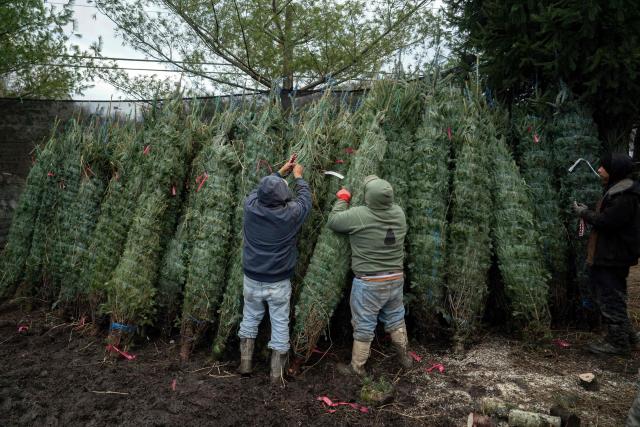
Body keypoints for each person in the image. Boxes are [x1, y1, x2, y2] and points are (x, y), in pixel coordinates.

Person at [327, 175, 413, 376]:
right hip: (395, 279)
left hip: (370, 283)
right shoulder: (399, 213)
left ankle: (357, 367)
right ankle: (405, 358)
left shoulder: (360, 215)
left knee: (364, 323)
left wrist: (343, 198)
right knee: (396, 318)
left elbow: (334, 221)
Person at [237, 155, 311, 384]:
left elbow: (259, 191)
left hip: (251, 278)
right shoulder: (290, 215)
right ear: (283, 197)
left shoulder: (250, 207)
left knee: (249, 318)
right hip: (278, 281)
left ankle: (245, 364)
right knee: (280, 323)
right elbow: (305, 201)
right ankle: (276, 376)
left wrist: (279, 174)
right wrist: (298, 177)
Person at [573, 152, 640, 355]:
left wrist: (584, 213)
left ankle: (618, 343)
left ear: (615, 170)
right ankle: (628, 336)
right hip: (613, 254)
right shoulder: (620, 190)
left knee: (610, 298)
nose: (599, 170)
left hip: (613, 256)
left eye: (604, 167)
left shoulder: (624, 195)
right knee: (616, 297)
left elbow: (607, 221)